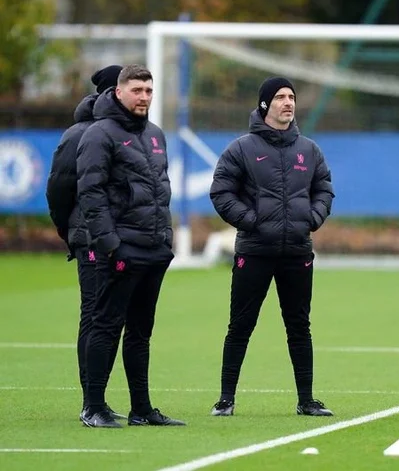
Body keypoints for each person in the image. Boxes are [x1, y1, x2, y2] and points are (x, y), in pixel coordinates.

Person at [209, 77, 335, 417]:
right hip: (254, 250)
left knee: (299, 325)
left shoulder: (309, 150)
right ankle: (226, 400)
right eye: (280, 97)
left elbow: (324, 188)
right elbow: (221, 192)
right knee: (240, 325)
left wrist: (312, 218)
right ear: (265, 104)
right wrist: (251, 221)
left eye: (291, 96)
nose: (288, 102)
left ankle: (307, 400)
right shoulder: (241, 149)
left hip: (297, 251)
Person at [76, 64, 184, 428]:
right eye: (137, 90)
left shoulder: (155, 134)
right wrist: (110, 244)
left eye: (148, 91)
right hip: (121, 250)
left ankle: (141, 408)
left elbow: (160, 191)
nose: (143, 97)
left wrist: (165, 239)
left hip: (154, 249)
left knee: (140, 332)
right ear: (118, 92)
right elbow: (90, 193)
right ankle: (93, 406)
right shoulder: (99, 134)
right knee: (106, 325)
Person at [46, 65, 125, 422]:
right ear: (113, 92)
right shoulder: (79, 134)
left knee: (113, 318)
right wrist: (73, 232)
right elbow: (59, 189)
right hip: (91, 238)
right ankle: (91, 400)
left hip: (127, 241)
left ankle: (101, 398)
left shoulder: (135, 133)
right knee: (94, 314)